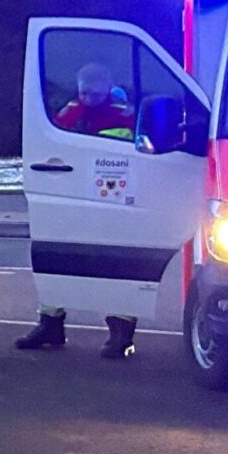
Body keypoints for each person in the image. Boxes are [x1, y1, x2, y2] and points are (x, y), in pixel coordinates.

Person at [18, 62, 139, 359]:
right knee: (56, 259)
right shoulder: (72, 109)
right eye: (83, 90)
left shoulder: (122, 113)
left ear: (106, 87)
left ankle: (120, 332)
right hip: (73, 195)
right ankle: (50, 323)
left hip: (111, 198)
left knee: (116, 265)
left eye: (92, 92)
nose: (87, 96)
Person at [51, 63, 135, 140]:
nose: (89, 99)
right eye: (84, 93)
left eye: (96, 95)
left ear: (107, 89)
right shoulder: (72, 109)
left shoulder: (121, 111)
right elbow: (55, 132)